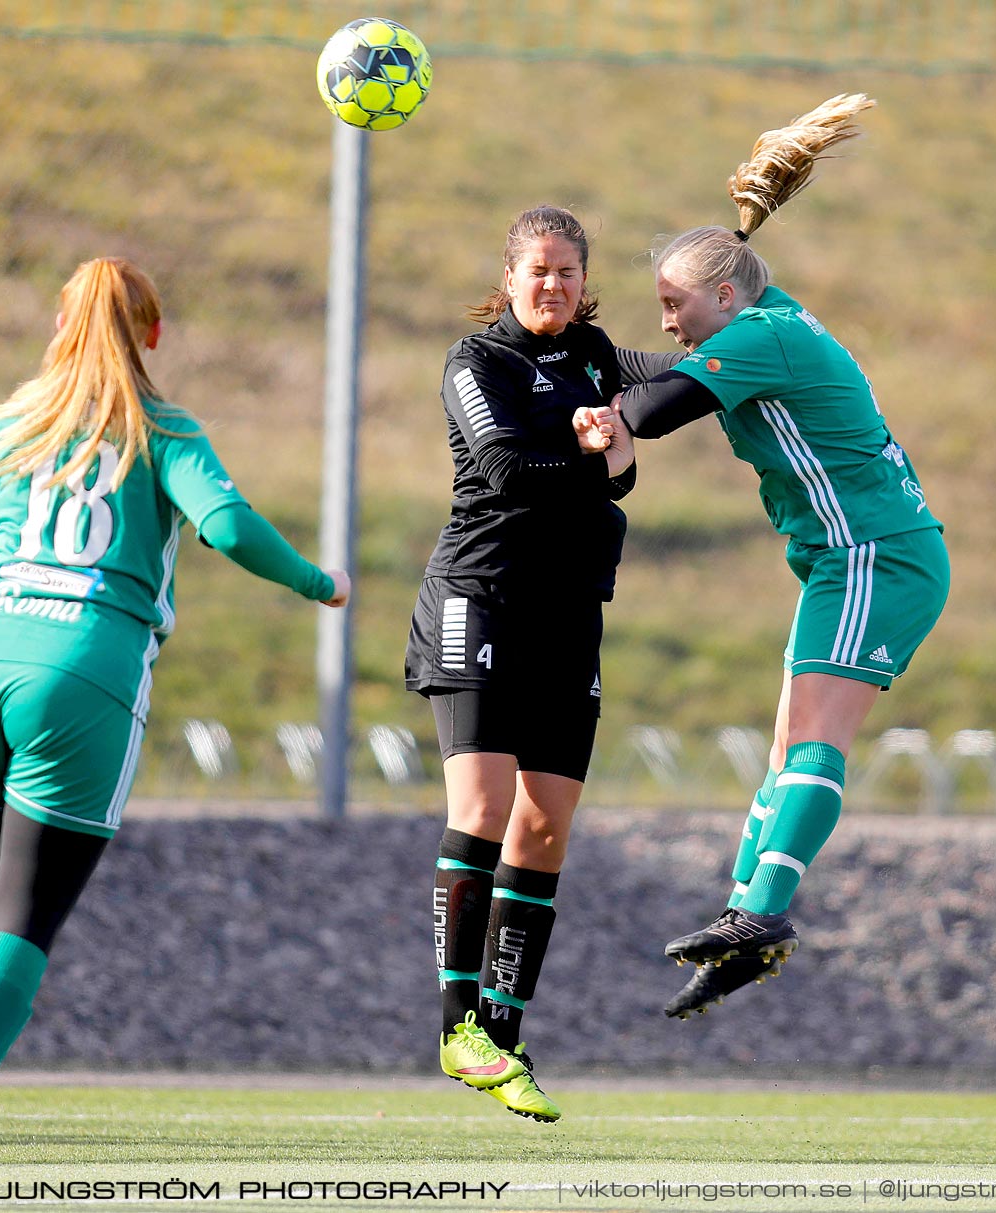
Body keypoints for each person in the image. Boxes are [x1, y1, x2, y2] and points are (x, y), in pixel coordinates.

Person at [0, 256, 348, 1188]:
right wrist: (316, 581)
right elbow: (230, 525)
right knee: (20, 919)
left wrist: (0, 595)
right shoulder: (162, 429)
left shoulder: (9, 422)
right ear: (154, 336)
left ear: (59, 329)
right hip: (82, 672)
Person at [605, 94, 949, 1019]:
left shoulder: (762, 336)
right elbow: (654, 370)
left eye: (674, 305)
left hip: (874, 553)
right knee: (787, 749)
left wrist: (591, 396)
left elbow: (650, 408)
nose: (669, 323)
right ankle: (745, 920)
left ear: (723, 297)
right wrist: (579, 353)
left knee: (814, 743)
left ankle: (761, 916)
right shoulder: (769, 318)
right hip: (862, 558)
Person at [406, 205, 639, 1124]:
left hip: (568, 612)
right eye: (537, 270)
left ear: (585, 281)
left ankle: (502, 1036)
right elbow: (503, 467)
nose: (552, 285)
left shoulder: (597, 354)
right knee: (484, 808)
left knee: (544, 828)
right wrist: (596, 455)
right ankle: (457, 1024)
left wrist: (616, 449)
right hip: (480, 600)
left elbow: (621, 463)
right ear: (508, 278)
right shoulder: (477, 362)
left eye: (567, 271)